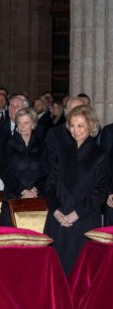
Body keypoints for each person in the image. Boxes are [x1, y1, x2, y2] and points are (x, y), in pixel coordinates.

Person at [44, 105, 110, 275]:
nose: (76, 130)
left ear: (90, 126)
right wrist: (57, 210)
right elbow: (49, 185)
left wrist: (76, 213)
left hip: (83, 220)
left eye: (80, 125)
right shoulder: (62, 152)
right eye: (72, 125)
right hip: (58, 219)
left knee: (80, 272)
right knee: (57, 270)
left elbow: (101, 190)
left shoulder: (100, 155)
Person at [0, 108, 48, 225]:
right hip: (13, 197)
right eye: (19, 123)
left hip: (37, 197)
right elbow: (5, 172)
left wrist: (35, 190)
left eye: (26, 123)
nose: (22, 126)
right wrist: (23, 191)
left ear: (33, 124)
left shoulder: (42, 145)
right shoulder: (8, 144)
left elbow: (47, 172)